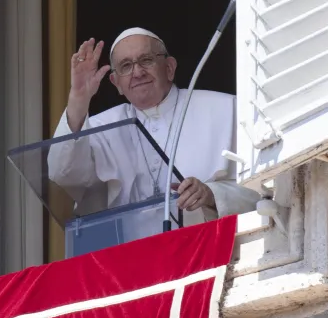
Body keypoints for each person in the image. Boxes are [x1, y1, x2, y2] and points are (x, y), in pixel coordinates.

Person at [47, 27, 259, 228]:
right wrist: (78, 98)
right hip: (132, 252)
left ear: (169, 68)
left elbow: (263, 192)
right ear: (116, 83)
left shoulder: (226, 108)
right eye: (126, 66)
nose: (137, 72)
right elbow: (62, 173)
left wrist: (213, 195)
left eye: (146, 60)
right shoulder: (101, 128)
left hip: (208, 248)